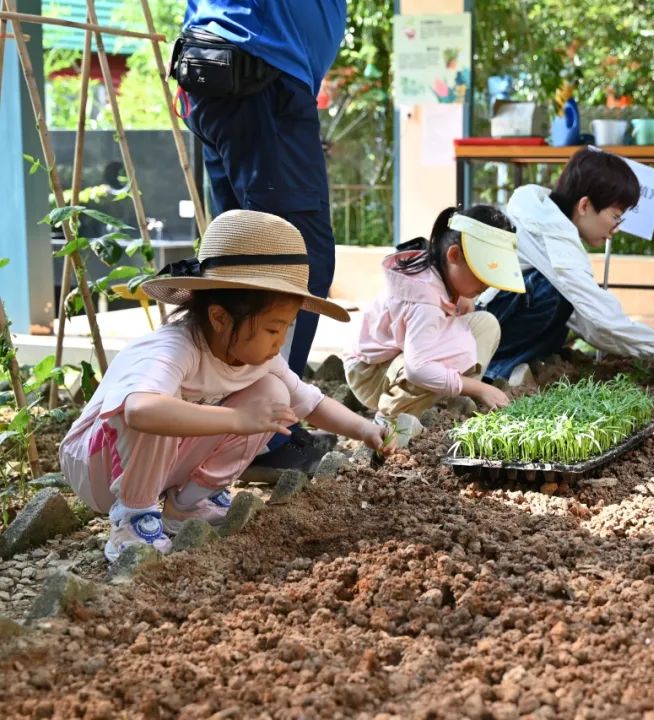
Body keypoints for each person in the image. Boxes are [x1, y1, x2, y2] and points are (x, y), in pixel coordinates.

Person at [58, 211, 392, 562]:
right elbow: (140, 410)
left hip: (158, 463)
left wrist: (365, 429)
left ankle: (187, 504)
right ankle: (133, 517)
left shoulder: (261, 359)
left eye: (285, 329)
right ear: (219, 318)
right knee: (161, 404)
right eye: (271, 329)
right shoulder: (175, 348)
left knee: (274, 395)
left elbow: (311, 403)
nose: (279, 342)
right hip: (95, 467)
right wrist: (238, 420)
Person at [177, 1, 346, 472]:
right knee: (295, 263)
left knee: (240, 261)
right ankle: (264, 438)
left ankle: (226, 424)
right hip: (262, 70)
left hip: (220, 64)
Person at [477, 148, 654, 381]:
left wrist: (645, 346)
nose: (616, 229)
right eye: (615, 217)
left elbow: (591, 320)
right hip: (484, 321)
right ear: (584, 206)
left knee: (567, 304)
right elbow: (597, 313)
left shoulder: (548, 218)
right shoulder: (553, 236)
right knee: (555, 294)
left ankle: (522, 365)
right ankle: (496, 371)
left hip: (493, 317)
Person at [344, 206, 523, 442]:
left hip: (400, 357)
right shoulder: (424, 303)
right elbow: (417, 368)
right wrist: (479, 388)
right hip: (370, 374)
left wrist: (465, 295)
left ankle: (443, 402)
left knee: (486, 324)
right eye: (481, 273)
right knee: (425, 365)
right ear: (453, 255)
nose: (487, 285)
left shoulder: (440, 269)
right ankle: (393, 420)